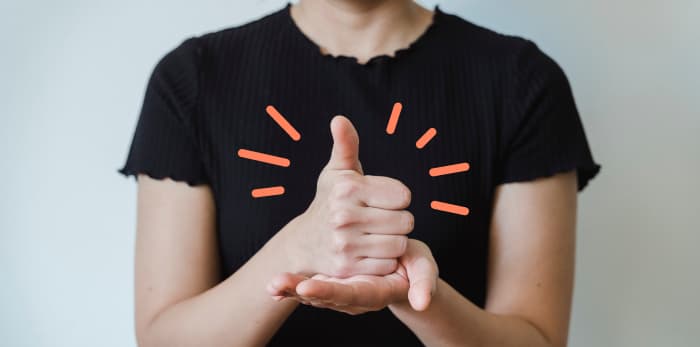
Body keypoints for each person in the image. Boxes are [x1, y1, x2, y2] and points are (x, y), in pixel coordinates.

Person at [118, 0, 600, 346]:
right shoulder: (194, 81)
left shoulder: (521, 83)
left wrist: (416, 296)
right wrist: (299, 250)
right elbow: (164, 338)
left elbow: (535, 339)